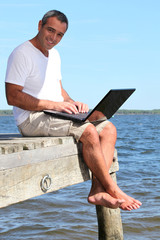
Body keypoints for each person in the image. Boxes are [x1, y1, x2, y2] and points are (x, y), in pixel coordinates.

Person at [5, 10, 142, 211]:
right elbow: (12, 96)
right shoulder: (21, 53)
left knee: (108, 128)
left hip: (53, 114)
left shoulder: (54, 55)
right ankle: (114, 190)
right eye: (50, 30)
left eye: (59, 34)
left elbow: (58, 90)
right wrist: (54, 105)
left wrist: (72, 103)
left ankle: (97, 191)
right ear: (39, 25)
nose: (53, 38)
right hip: (31, 118)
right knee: (88, 131)